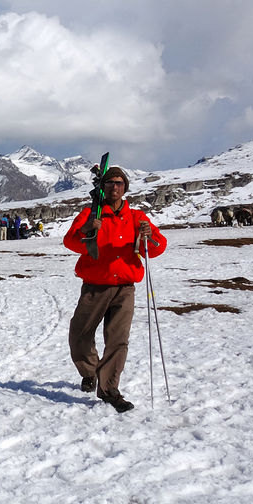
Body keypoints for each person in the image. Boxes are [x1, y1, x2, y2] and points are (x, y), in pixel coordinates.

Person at [63, 166, 167, 414]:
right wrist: (89, 229)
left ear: (125, 187)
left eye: (119, 183)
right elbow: (71, 242)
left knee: (117, 340)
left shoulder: (137, 217)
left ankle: (109, 389)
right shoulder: (90, 213)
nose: (114, 187)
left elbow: (156, 248)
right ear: (103, 187)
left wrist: (148, 234)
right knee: (80, 336)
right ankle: (90, 372)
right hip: (94, 287)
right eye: (109, 183)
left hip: (124, 288)